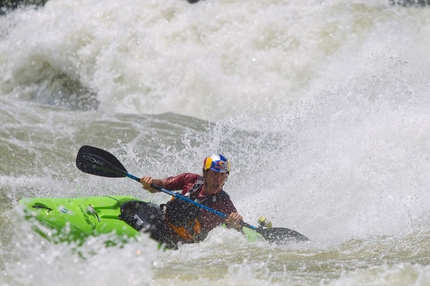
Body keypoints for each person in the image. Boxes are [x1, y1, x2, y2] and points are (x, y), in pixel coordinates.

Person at [119, 153, 244, 249]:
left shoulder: (225, 204)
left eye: (223, 175)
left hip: (183, 245)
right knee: (130, 208)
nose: (219, 179)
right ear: (205, 173)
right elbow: (162, 184)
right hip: (163, 222)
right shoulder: (191, 180)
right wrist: (150, 183)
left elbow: (239, 238)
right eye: (215, 174)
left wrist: (236, 225)